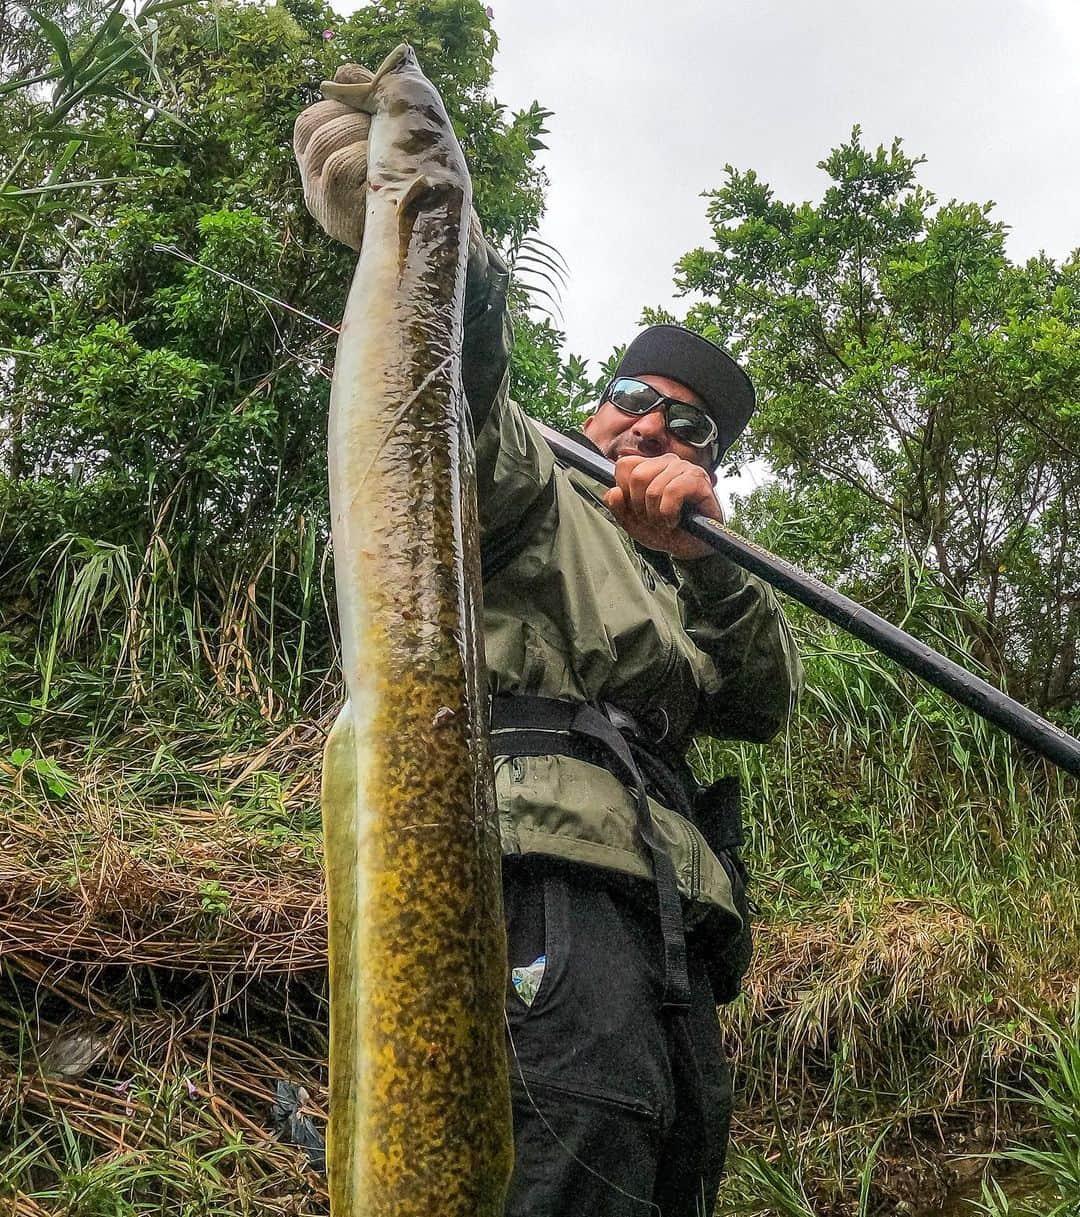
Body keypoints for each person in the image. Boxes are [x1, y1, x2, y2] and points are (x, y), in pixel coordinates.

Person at [294, 73, 802, 1217]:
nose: (653, 424)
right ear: (598, 400)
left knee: (669, 1169)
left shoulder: (690, 576)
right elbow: (458, 380)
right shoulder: (532, 475)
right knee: (566, 1146)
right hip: (539, 891)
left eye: (689, 424)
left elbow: (761, 698)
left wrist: (713, 553)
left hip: (669, 933)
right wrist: (427, 220)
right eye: (636, 394)